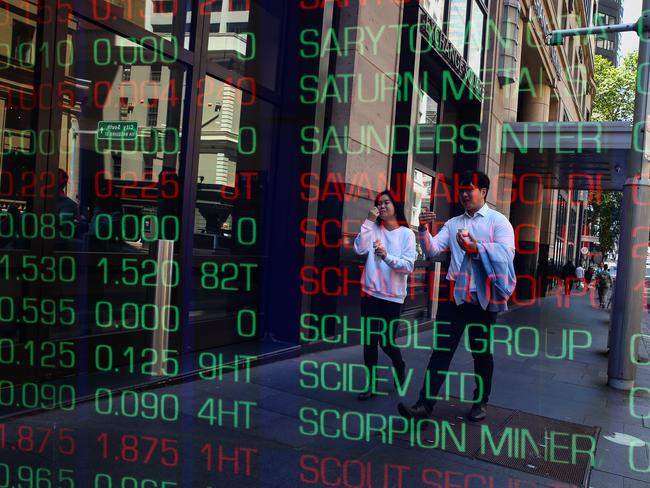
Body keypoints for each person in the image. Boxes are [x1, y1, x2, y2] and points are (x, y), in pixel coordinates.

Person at [397, 170, 516, 423]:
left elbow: (507, 254)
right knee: (441, 351)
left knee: (481, 353)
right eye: (461, 189)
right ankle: (423, 406)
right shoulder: (453, 224)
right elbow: (431, 251)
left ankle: (480, 401)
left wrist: (478, 248)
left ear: (483, 191)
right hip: (454, 297)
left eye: (469, 189)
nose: (463, 194)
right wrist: (423, 229)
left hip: (483, 299)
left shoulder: (498, 221)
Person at [353, 190, 416, 401]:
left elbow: (408, 266)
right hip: (370, 293)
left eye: (386, 202)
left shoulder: (407, 234)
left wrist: (387, 257)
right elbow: (359, 250)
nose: (382, 207)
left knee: (387, 341)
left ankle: (400, 365)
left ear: (395, 206)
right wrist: (368, 222)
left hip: (392, 297)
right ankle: (371, 383)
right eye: (379, 203)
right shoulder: (373, 228)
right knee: (370, 341)